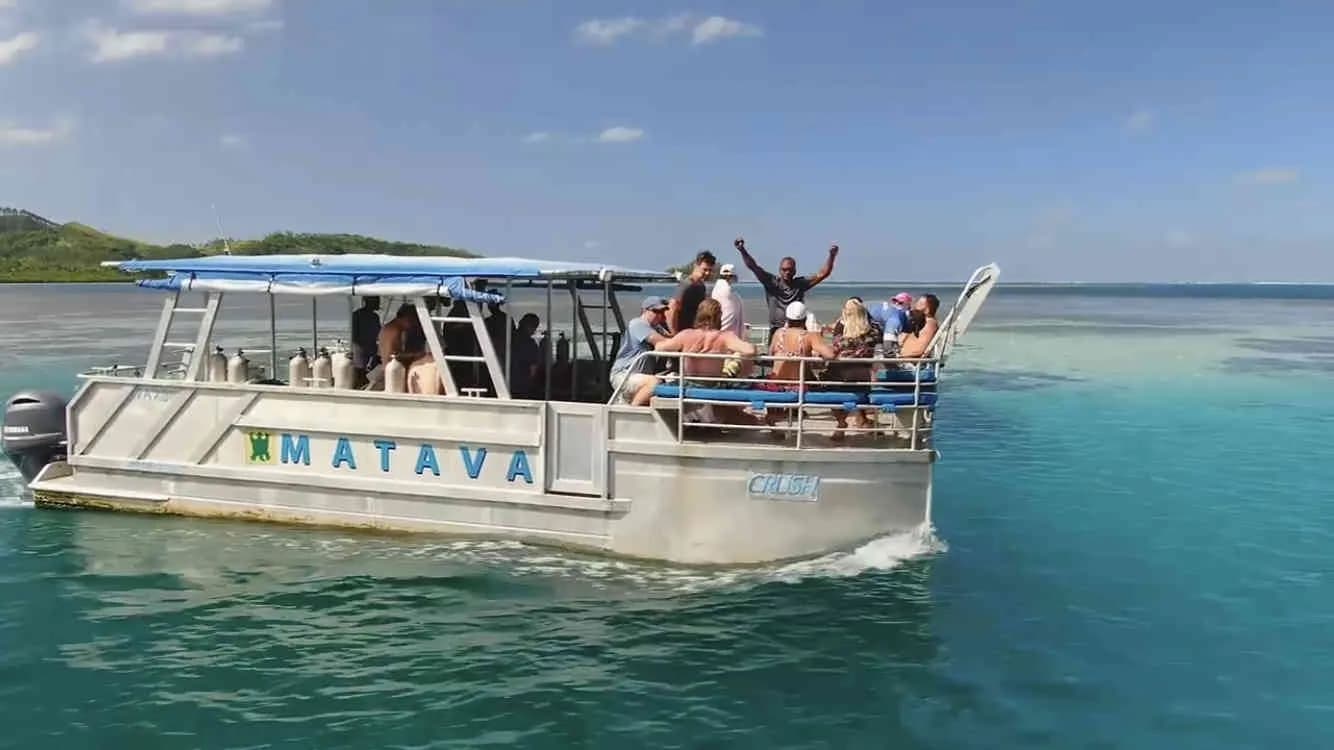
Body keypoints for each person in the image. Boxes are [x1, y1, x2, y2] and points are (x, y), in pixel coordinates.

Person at [654, 298, 758, 425]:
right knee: (739, 381)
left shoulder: (686, 334)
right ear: (719, 316)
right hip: (712, 384)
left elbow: (659, 347)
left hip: (688, 383)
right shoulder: (724, 337)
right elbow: (750, 350)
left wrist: (682, 350)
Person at [733, 237, 838, 342]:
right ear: (780, 270)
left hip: (796, 330)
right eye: (784, 270)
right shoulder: (772, 282)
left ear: (795, 271)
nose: (787, 272)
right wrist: (742, 250)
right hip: (776, 329)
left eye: (790, 270)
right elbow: (754, 267)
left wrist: (832, 255)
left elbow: (823, 274)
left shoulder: (800, 284)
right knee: (773, 356)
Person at [763, 301, 835, 431]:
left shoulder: (778, 333)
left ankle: (774, 420)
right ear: (805, 319)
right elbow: (829, 355)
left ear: (787, 318)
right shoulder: (810, 336)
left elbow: (770, 353)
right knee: (824, 381)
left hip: (776, 384)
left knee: (771, 380)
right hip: (798, 385)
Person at [825, 298, 882, 436]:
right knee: (859, 393)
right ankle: (862, 420)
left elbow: (834, 350)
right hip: (863, 375)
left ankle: (841, 423)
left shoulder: (843, 332)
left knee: (827, 383)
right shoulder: (873, 331)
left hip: (842, 374)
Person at [610, 296, 671, 406]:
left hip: (641, 376)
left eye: (663, 312)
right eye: (656, 311)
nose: (660, 315)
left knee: (670, 380)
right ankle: (633, 412)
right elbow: (663, 342)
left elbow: (671, 339)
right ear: (645, 310)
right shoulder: (638, 323)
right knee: (654, 383)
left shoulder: (658, 328)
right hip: (624, 374)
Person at [668, 250, 716, 333]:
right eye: (704, 269)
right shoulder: (687, 284)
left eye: (710, 270)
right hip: (683, 333)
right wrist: (674, 333)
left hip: (694, 332)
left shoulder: (701, 286)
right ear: (696, 266)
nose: (707, 273)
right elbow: (671, 308)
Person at [508, 313, 542, 398]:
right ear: (529, 326)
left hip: (504, 382)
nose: (534, 330)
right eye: (534, 327)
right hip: (521, 386)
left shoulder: (507, 338)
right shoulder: (530, 343)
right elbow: (533, 368)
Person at [899, 293, 940, 359]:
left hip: (909, 360)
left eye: (920, 303)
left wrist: (900, 355)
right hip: (902, 357)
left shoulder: (930, 323)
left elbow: (920, 349)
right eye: (917, 302)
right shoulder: (918, 321)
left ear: (928, 308)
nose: (915, 305)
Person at [711, 263, 746, 339]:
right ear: (731, 277)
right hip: (727, 335)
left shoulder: (715, 290)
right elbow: (732, 316)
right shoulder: (730, 293)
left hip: (716, 332)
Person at [350, 296, 381, 375]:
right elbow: (354, 334)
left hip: (370, 350)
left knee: (369, 374)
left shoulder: (375, 316)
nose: (379, 303)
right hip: (361, 350)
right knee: (362, 374)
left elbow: (378, 333)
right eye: (377, 301)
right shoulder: (358, 315)